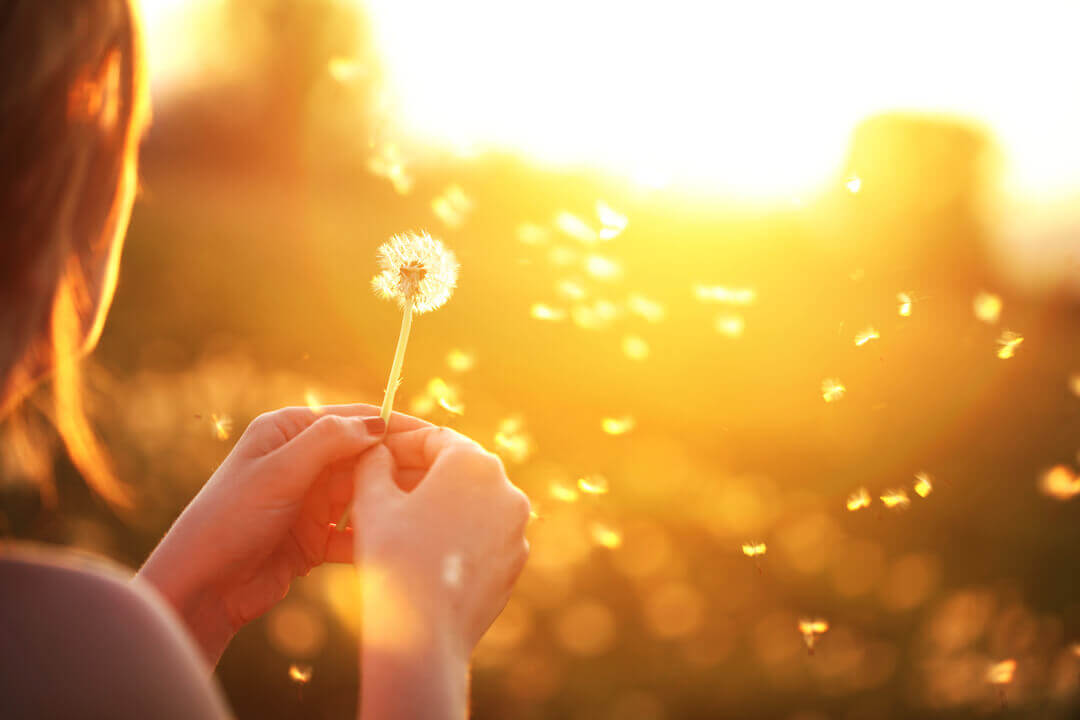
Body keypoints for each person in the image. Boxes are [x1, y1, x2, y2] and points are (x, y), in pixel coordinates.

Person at [0, 1, 531, 718]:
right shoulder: (78, 636)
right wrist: (424, 638)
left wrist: (186, 601)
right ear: (48, 208)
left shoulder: (67, 645)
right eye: (128, 143)